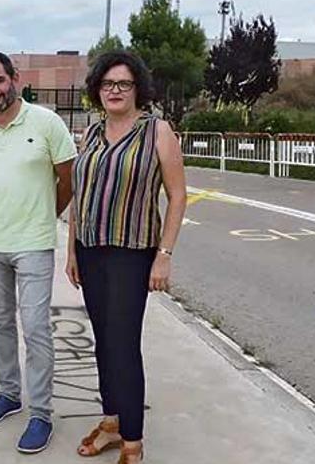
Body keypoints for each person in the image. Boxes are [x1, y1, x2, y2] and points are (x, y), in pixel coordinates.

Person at [66, 51, 186, 464]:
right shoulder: (92, 133)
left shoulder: (157, 131)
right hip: (90, 249)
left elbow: (177, 196)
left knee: (123, 345)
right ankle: (112, 423)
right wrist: (72, 251)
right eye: (107, 84)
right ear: (98, 89)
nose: (115, 91)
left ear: (138, 89)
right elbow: (80, 196)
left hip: (132, 253)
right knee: (102, 343)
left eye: (123, 84)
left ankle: (133, 443)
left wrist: (164, 255)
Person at [0, 51, 77, 454]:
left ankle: (40, 413)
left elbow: (67, 180)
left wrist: (43, 214)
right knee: (0, 324)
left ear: (15, 79)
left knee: (36, 328)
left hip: (34, 244)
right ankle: (9, 394)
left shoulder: (46, 123)